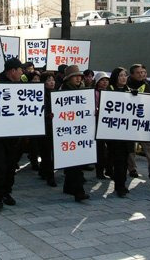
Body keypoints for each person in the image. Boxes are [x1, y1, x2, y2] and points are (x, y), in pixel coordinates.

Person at [0, 58, 23, 211]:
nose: (22, 72)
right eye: (20, 70)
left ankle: (7, 193)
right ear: (12, 71)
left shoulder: (22, 87)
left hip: (15, 135)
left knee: (10, 167)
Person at [60, 65, 90, 202]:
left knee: (75, 162)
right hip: (67, 132)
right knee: (74, 162)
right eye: (75, 76)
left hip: (80, 131)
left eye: (80, 76)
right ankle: (79, 191)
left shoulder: (83, 91)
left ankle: (68, 187)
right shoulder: (62, 92)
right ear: (68, 79)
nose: (79, 78)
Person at [107, 67, 134, 197]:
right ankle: (120, 186)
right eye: (121, 75)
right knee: (119, 159)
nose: (123, 78)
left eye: (125, 75)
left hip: (127, 133)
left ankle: (121, 183)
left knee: (124, 159)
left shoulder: (130, 91)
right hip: (113, 133)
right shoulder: (109, 91)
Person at [126, 63, 150, 178]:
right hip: (129, 120)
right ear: (132, 74)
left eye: (142, 72)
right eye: (138, 73)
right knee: (130, 146)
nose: (141, 75)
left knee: (149, 144)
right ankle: (132, 168)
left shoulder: (147, 84)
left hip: (144, 120)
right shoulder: (126, 84)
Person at [38, 71, 56, 187]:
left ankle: (43, 171)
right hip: (44, 128)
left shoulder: (56, 93)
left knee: (49, 152)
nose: (52, 82)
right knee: (46, 153)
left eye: (52, 80)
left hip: (54, 127)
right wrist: (47, 116)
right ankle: (49, 176)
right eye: (49, 80)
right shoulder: (40, 95)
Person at [94, 72, 111, 179]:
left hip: (108, 124)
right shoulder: (94, 93)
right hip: (97, 123)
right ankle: (99, 171)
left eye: (106, 80)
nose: (105, 82)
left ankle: (109, 169)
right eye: (102, 80)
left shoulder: (110, 93)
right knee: (100, 149)